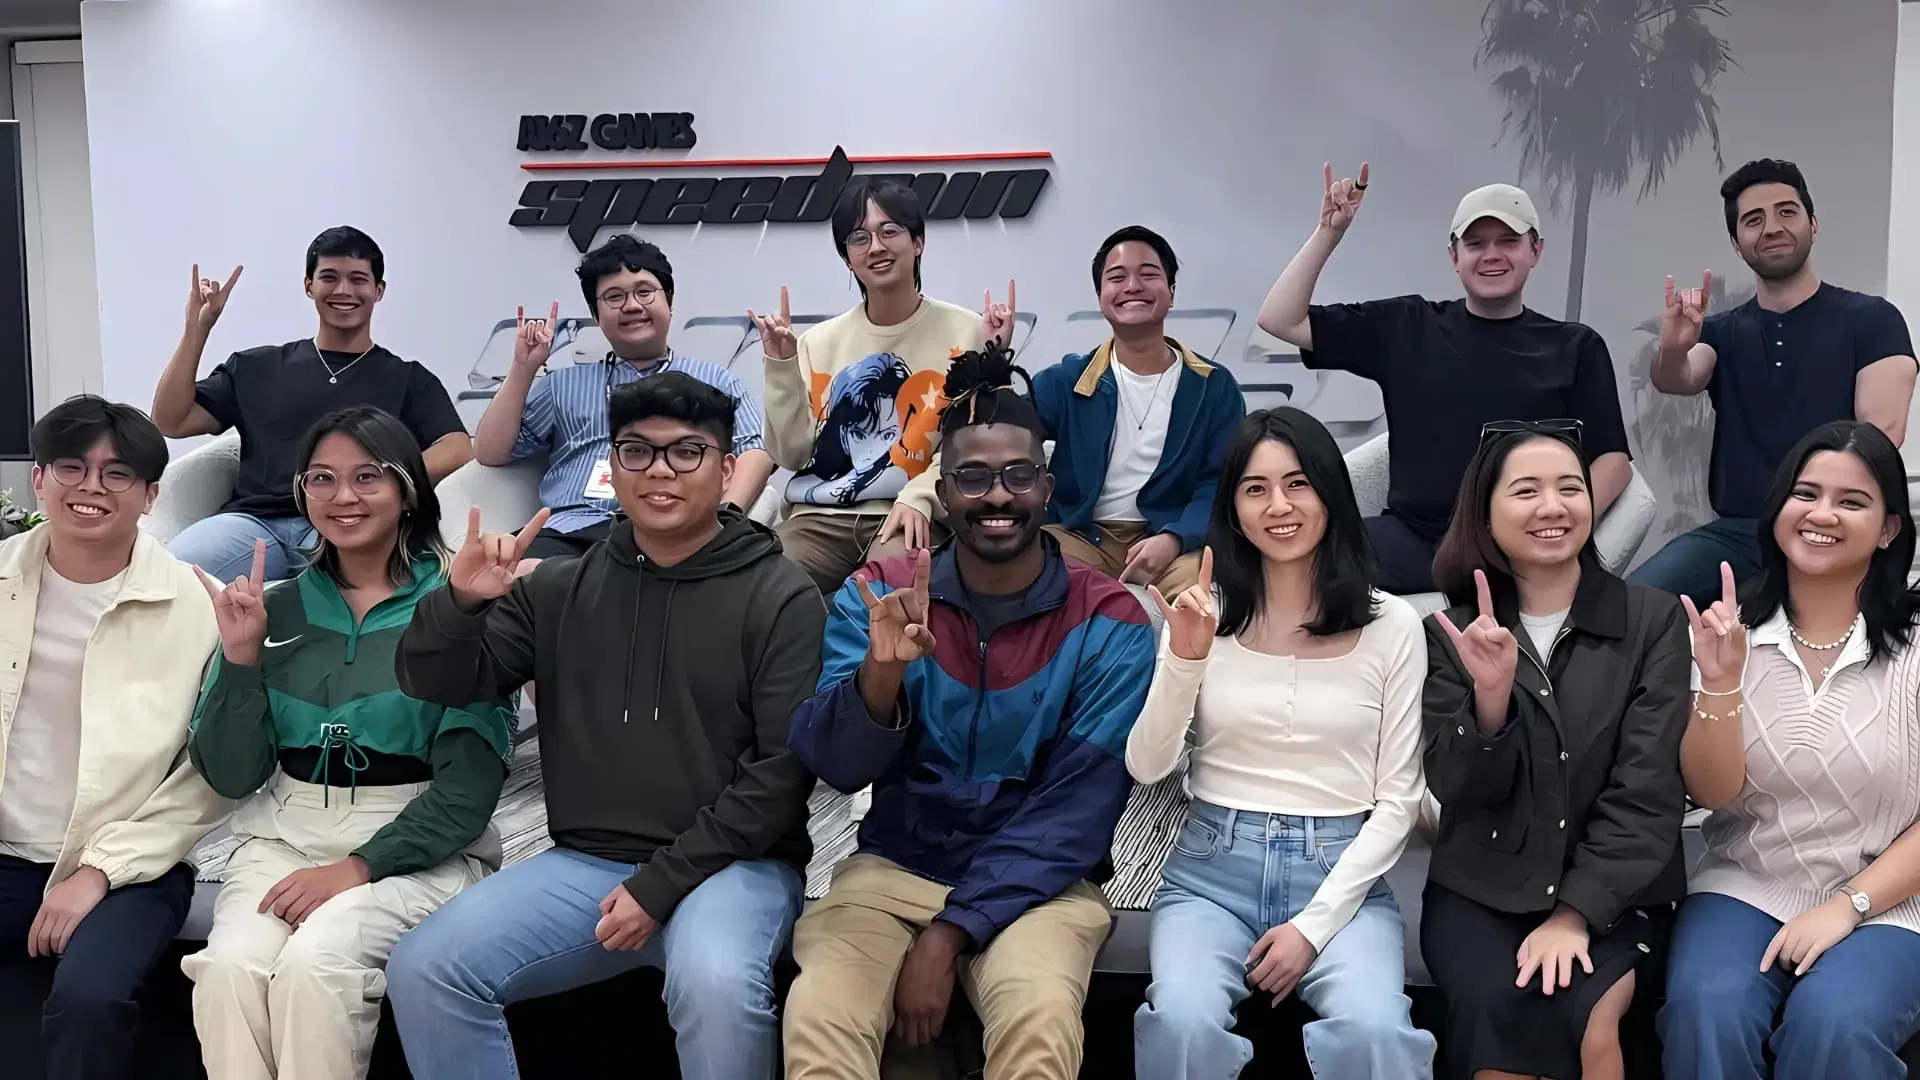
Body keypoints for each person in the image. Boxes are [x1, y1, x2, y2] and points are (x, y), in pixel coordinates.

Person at [383, 373, 823, 1080]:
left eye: (686, 452)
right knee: (426, 968)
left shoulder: (781, 595)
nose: (659, 471)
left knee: (715, 986)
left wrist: (660, 885)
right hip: (587, 863)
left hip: (734, 867)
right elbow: (437, 683)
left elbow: (781, 775)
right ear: (609, 468)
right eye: (637, 452)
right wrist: (458, 605)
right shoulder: (560, 586)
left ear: (725, 469)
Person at [782, 342, 1156, 1080]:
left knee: (1039, 1022)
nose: (997, 497)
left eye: (1018, 475)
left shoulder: (1109, 617)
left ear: (1046, 487)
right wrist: (882, 673)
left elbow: (1077, 808)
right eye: (973, 478)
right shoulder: (882, 591)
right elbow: (834, 766)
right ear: (943, 491)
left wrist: (951, 932)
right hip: (894, 867)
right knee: (821, 1014)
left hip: (1041, 886)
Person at [181, 406, 515, 1080]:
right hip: (284, 833)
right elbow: (230, 776)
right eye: (322, 478)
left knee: (316, 965)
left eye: (367, 476)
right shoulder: (273, 607)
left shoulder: (459, 604)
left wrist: (358, 867)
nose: (343, 497)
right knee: (229, 969)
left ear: (407, 490)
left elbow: (468, 793)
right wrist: (240, 661)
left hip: (418, 842)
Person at [1127, 407, 1433, 1080]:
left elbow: (1399, 801)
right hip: (1211, 871)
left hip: (1341, 871)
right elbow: (1147, 767)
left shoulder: (1394, 625)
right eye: (1255, 489)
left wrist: (1312, 929)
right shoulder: (1202, 614)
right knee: (1181, 1022)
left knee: (1376, 1031)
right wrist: (1183, 660)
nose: (1279, 506)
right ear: (1233, 509)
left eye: (1298, 484)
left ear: (1330, 494)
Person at [1421, 421, 1690, 1080]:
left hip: (1617, 896)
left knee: (1591, 1022)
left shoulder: (1652, 621)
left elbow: (1648, 791)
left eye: (1571, 488)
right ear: (1486, 514)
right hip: (1482, 891)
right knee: (1495, 1016)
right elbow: (1459, 789)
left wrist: (1574, 914)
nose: (1553, 506)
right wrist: (1491, 701)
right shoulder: (1453, 630)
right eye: (1526, 491)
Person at [1659, 421, 1920, 1080]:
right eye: (1806, 494)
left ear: (1889, 529)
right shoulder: (1725, 633)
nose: (1822, 515)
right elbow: (1711, 793)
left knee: (1836, 1023)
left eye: (1851, 502)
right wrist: (1720, 683)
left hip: (1897, 901)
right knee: (1707, 1009)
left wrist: (1848, 905)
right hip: (1747, 882)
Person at [1254, 166, 1633, 595]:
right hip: (1414, 539)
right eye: (1475, 243)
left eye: (1508, 241)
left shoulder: (1575, 347)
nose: (1492, 254)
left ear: (1535, 251)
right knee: (1295, 568)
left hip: (1520, 544)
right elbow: (1279, 319)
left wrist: (1560, 528)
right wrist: (1329, 232)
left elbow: (1613, 461)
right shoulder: (1408, 325)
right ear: (1455, 257)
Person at [0, 396, 226, 1080]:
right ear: (38, 479)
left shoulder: (201, 605)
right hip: (7, 854)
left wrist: (99, 870)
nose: (92, 486)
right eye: (71, 466)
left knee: (90, 1002)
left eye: (118, 473)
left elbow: (209, 777)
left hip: (132, 868)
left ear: (151, 495)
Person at [1633, 160, 1917, 605]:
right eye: (1753, 220)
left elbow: (1883, 431)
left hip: (1835, 526)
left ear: (1813, 225)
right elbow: (1678, 377)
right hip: (1741, 534)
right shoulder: (1722, 331)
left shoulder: (1873, 319)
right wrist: (1673, 347)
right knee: (1629, 607)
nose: (1772, 228)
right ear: (1737, 243)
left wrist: (1808, 509)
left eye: (1787, 212)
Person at [153, 227, 474, 583]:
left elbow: (458, 448)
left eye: (358, 279)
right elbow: (171, 421)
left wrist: (380, 483)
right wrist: (197, 330)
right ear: (309, 286)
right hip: (256, 524)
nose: (344, 290)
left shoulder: (408, 379)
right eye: (329, 278)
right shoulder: (257, 367)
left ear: (378, 291)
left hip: (351, 518)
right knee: (169, 578)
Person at [753, 176, 1004, 594]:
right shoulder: (818, 341)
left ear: (918, 242)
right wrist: (781, 366)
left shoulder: (969, 331)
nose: (876, 247)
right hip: (818, 519)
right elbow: (791, 455)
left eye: (890, 231)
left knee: (892, 588)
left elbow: (973, 444)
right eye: (859, 238)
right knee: (770, 587)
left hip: (909, 512)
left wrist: (920, 495)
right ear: (847, 259)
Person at [474, 236, 775, 560]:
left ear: (669, 302)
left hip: (671, 534)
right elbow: (490, 452)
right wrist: (523, 369)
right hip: (571, 531)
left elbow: (755, 452)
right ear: (596, 315)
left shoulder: (715, 381)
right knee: (515, 574)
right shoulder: (561, 386)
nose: (632, 306)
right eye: (614, 297)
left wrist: (724, 519)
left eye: (644, 292)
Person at [1034, 225, 1245, 597]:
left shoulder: (1214, 386)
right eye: (1117, 277)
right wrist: (992, 358)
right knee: (1034, 567)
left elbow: (1219, 484)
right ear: (1101, 296)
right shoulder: (1066, 380)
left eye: (1148, 274)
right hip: (1077, 539)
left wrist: (1175, 538)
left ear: (1171, 291)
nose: (1132, 286)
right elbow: (1001, 434)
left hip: (1172, 545)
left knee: (1208, 589)